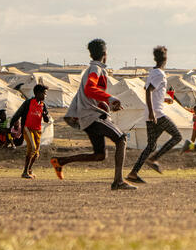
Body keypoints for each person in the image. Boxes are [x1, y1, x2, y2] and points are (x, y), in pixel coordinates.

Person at [51, 38, 136, 190]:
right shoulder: (96, 69)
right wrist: (110, 98)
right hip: (92, 116)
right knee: (121, 139)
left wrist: (107, 104)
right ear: (105, 53)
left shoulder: (93, 69)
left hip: (88, 116)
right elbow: (90, 89)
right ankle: (118, 181)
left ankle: (60, 161)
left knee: (99, 155)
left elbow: (91, 95)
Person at [127, 46, 185, 185]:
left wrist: (163, 99)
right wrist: (153, 111)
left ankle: (133, 173)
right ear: (165, 59)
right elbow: (148, 91)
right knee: (177, 136)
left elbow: (149, 90)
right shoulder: (159, 74)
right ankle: (154, 159)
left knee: (151, 146)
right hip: (157, 114)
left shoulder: (153, 72)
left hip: (151, 114)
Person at [10, 84, 50, 178]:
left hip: (37, 130)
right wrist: (10, 126)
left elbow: (46, 120)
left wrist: (45, 115)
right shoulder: (28, 103)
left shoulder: (43, 105)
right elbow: (18, 114)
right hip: (27, 128)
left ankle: (29, 170)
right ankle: (24, 172)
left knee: (36, 153)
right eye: (44, 93)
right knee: (31, 148)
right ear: (37, 93)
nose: (45, 96)